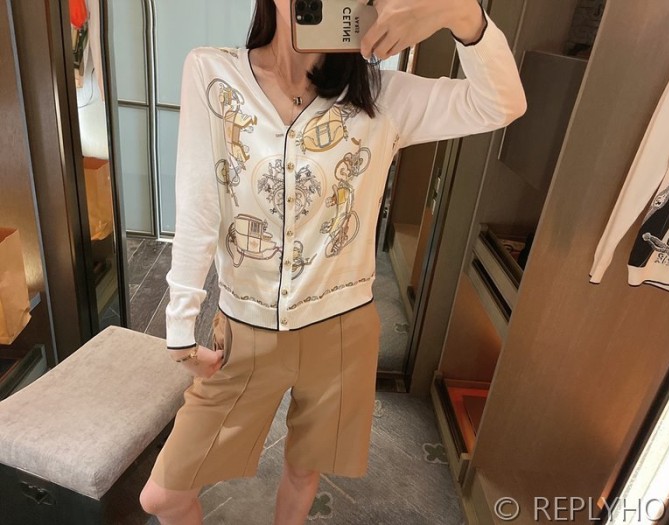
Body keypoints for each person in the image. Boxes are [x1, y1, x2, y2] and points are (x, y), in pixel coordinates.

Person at [139, 0, 526, 523]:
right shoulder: (213, 73)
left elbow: (501, 103)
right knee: (163, 497)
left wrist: (460, 12)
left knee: (304, 471)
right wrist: (181, 321)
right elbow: (198, 202)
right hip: (247, 330)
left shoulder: (383, 97)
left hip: (343, 334)